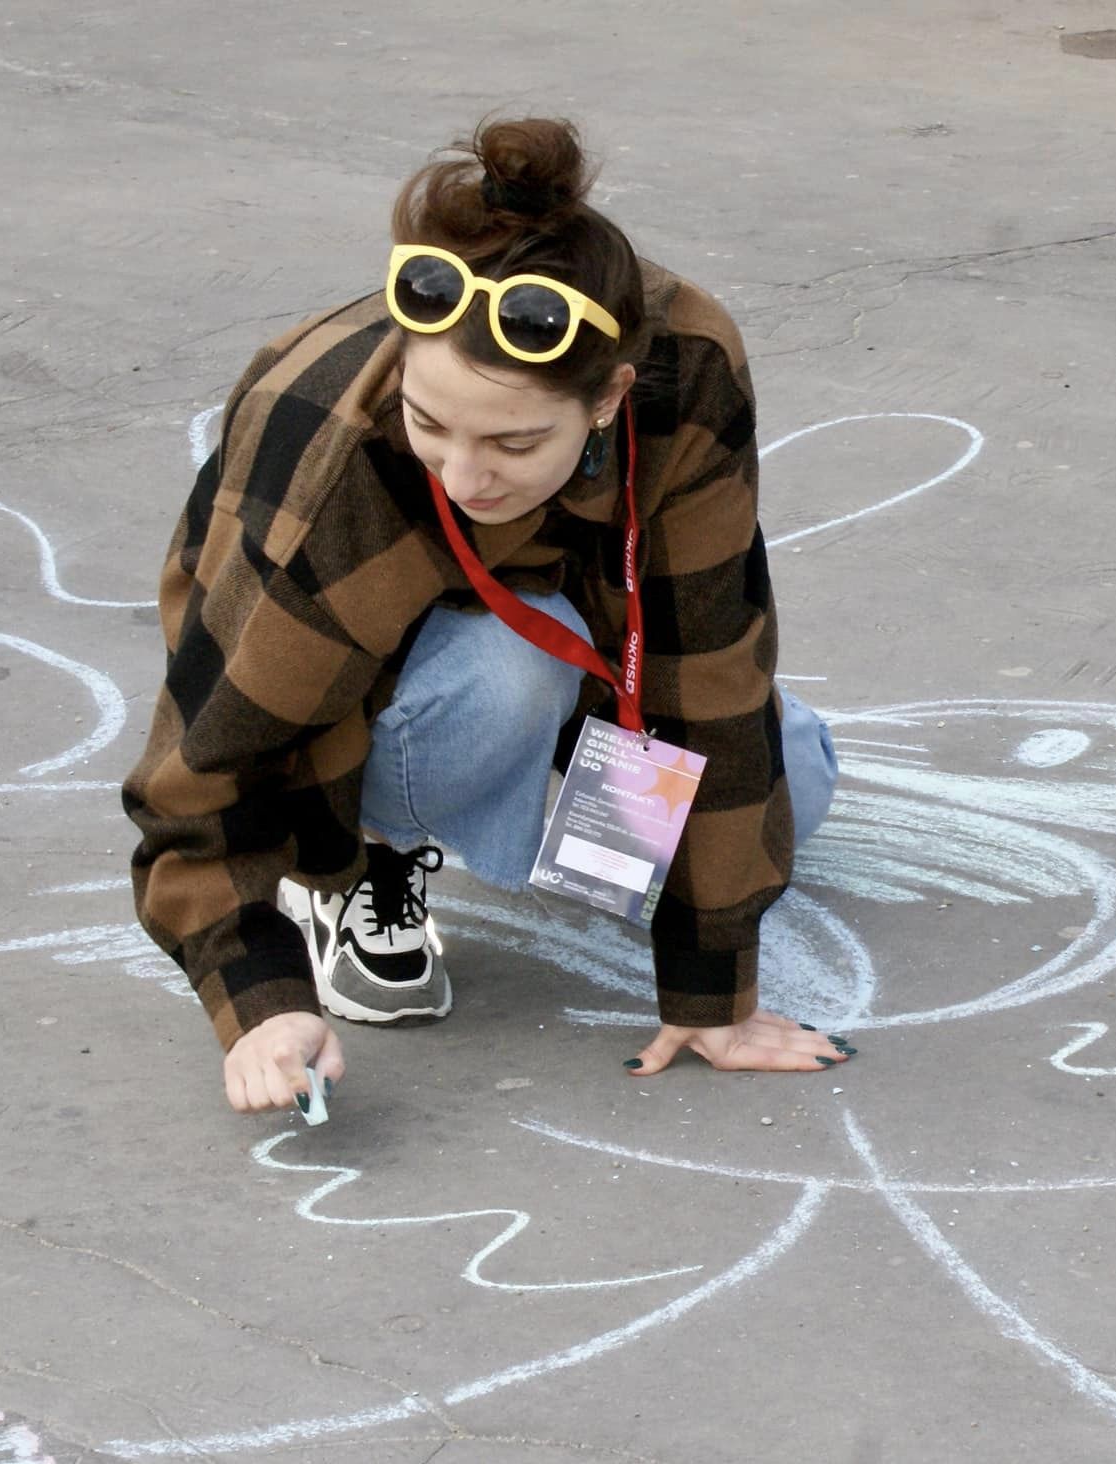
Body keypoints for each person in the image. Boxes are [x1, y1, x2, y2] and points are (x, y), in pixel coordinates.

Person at [122, 117, 849, 1115]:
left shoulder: (685, 369)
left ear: (610, 399)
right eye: (430, 424)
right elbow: (207, 762)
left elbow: (708, 661)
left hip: (579, 642)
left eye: (513, 444)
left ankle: (528, 794)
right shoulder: (327, 448)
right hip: (365, 695)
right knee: (512, 671)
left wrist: (712, 996)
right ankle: (357, 862)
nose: (464, 475)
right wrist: (260, 998)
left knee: (795, 780)